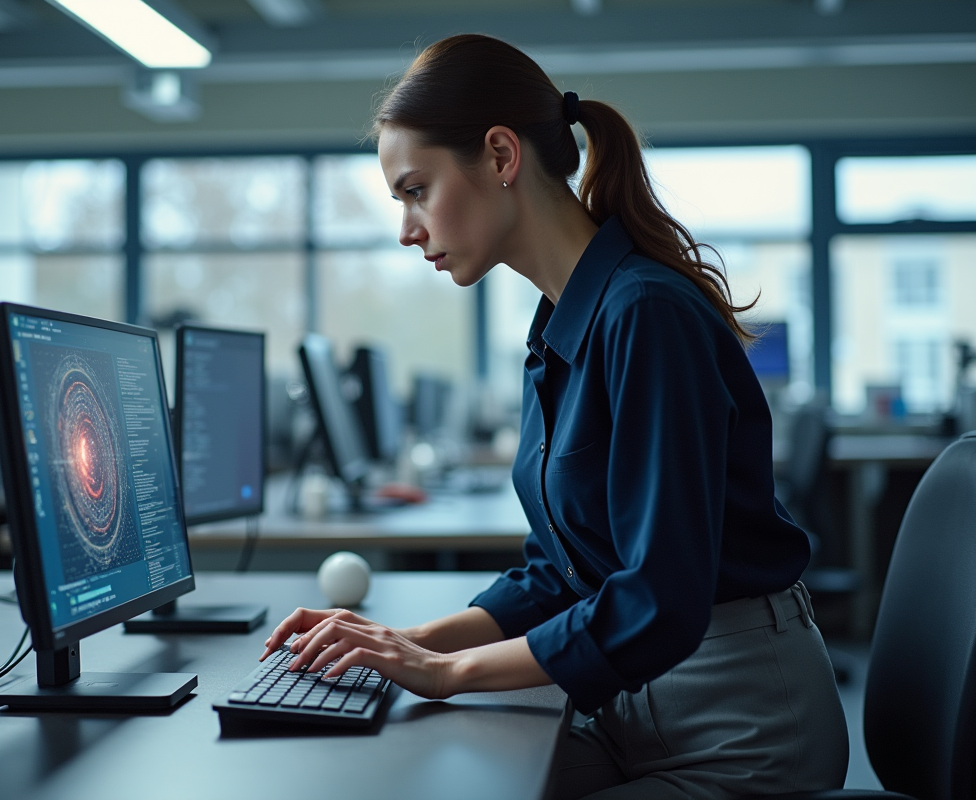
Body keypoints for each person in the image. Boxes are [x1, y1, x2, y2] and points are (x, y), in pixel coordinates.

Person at [261, 33, 849, 799]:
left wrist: (447, 672)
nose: (407, 229)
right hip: (634, 708)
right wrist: (405, 641)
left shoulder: (644, 315)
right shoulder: (562, 323)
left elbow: (658, 601)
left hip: (738, 729)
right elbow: (558, 573)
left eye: (416, 191)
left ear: (501, 156)